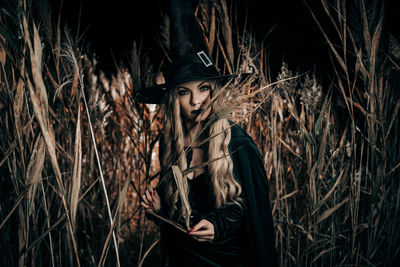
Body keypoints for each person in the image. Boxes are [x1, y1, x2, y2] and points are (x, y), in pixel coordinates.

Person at [136, 0, 278, 266]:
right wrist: (160, 209)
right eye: (184, 92)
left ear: (214, 89)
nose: (196, 101)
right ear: (173, 99)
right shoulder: (171, 144)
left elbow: (255, 215)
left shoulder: (238, 144)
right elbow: (182, 211)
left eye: (203, 88)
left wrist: (219, 223)